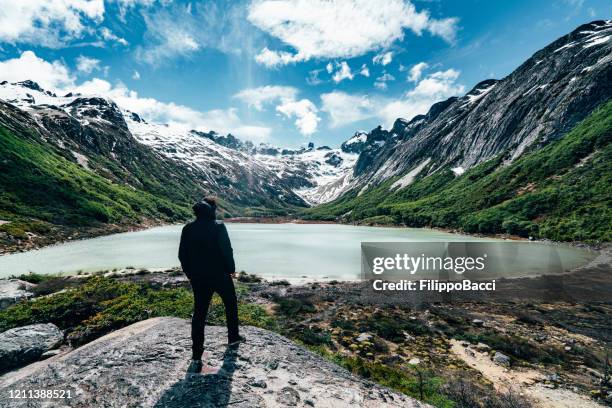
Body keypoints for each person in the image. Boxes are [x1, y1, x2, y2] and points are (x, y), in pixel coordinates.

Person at [179, 197, 244, 373]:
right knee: (230, 304)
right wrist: (231, 269)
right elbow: (226, 249)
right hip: (220, 275)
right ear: (211, 211)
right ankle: (233, 337)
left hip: (199, 278)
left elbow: (182, 255)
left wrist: (190, 274)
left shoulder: (188, 228)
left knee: (199, 314)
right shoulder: (218, 226)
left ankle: (196, 356)